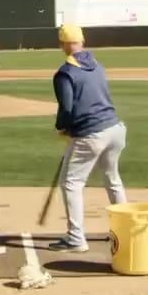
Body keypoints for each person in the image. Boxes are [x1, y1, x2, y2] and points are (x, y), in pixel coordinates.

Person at [49, 24, 128, 253]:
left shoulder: (65, 73)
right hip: (115, 129)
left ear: (63, 44)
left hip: (91, 134)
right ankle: (124, 230)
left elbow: (67, 108)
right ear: (82, 41)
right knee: (112, 178)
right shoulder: (97, 65)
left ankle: (76, 239)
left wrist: (62, 127)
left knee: (71, 183)